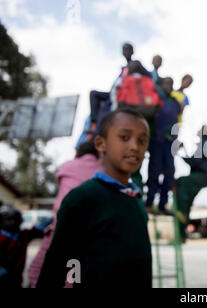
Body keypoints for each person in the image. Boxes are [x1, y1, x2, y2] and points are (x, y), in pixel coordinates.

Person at [36, 108, 152, 288]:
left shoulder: (136, 199)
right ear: (100, 144)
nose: (135, 147)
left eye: (142, 141)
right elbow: (56, 267)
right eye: (124, 137)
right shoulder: (83, 197)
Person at [27, 141, 103, 288]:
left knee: (37, 270)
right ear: (98, 154)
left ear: (77, 154)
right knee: (73, 274)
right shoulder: (101, 171)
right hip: (86, 233)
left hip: (59, 227)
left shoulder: (68, 166)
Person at [146, 77, 181, 214]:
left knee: (170, 172)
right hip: (156, 141)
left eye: (172, 84)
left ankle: (163, 205)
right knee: (154, 172)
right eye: (167, 84)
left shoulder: (175, 103)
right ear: (161, 85)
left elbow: (177, 123)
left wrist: (176, 140)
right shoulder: (155, 99)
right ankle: (149, 203)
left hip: (170, 142)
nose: (170, 86)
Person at [175, 125, 207, 240]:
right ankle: (182, 233)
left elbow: (193, 162)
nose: (197, 130)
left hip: (202, 176)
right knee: (188, 200)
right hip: (204, 177)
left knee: (181, 183)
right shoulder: (205, 146)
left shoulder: (203, 145)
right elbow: (195, 160)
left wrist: (180, 152)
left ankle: (181, 214)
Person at [0, 205, 52, 288]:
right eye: (9, 219)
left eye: (16, 219)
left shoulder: (23, 234)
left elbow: (40, 227)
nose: (13, 222)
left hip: (16, 280)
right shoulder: (1, 239)